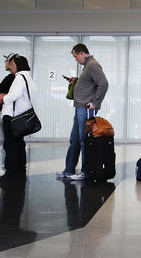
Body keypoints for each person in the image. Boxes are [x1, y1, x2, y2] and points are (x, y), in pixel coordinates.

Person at [57, 44, 109, 181]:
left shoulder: (92, 65)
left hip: (86, 109)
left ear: (81, 53)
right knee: (74, 140)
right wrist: (77, 81)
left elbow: (103, 83)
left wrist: (96, 102)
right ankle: (69, 170)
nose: (75, 59)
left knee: (84, 140)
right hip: (79, 108)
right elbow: (90, 83)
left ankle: (86, 172)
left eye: (75, 56)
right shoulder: (87, 66)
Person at [0, 55, 35, 185]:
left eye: (11, 64)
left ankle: (10, 175)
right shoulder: (28, 77)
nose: (10, 66)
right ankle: (20, 172)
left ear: (18, 65)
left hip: (12, 117)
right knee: (19, 145)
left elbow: (14, 95)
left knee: (10, 145)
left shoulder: (19, 78)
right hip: (21, 117)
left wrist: (3, 98)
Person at [0, 53, 18, 178]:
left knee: (6, 142)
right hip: (7, 113)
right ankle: (8, 168)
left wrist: (1, 95)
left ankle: (6, 168)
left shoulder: (13, 78)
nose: (6, 64)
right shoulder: (15, 78)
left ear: (13, 63)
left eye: (7, 62)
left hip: (9, 114)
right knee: (8, 142)